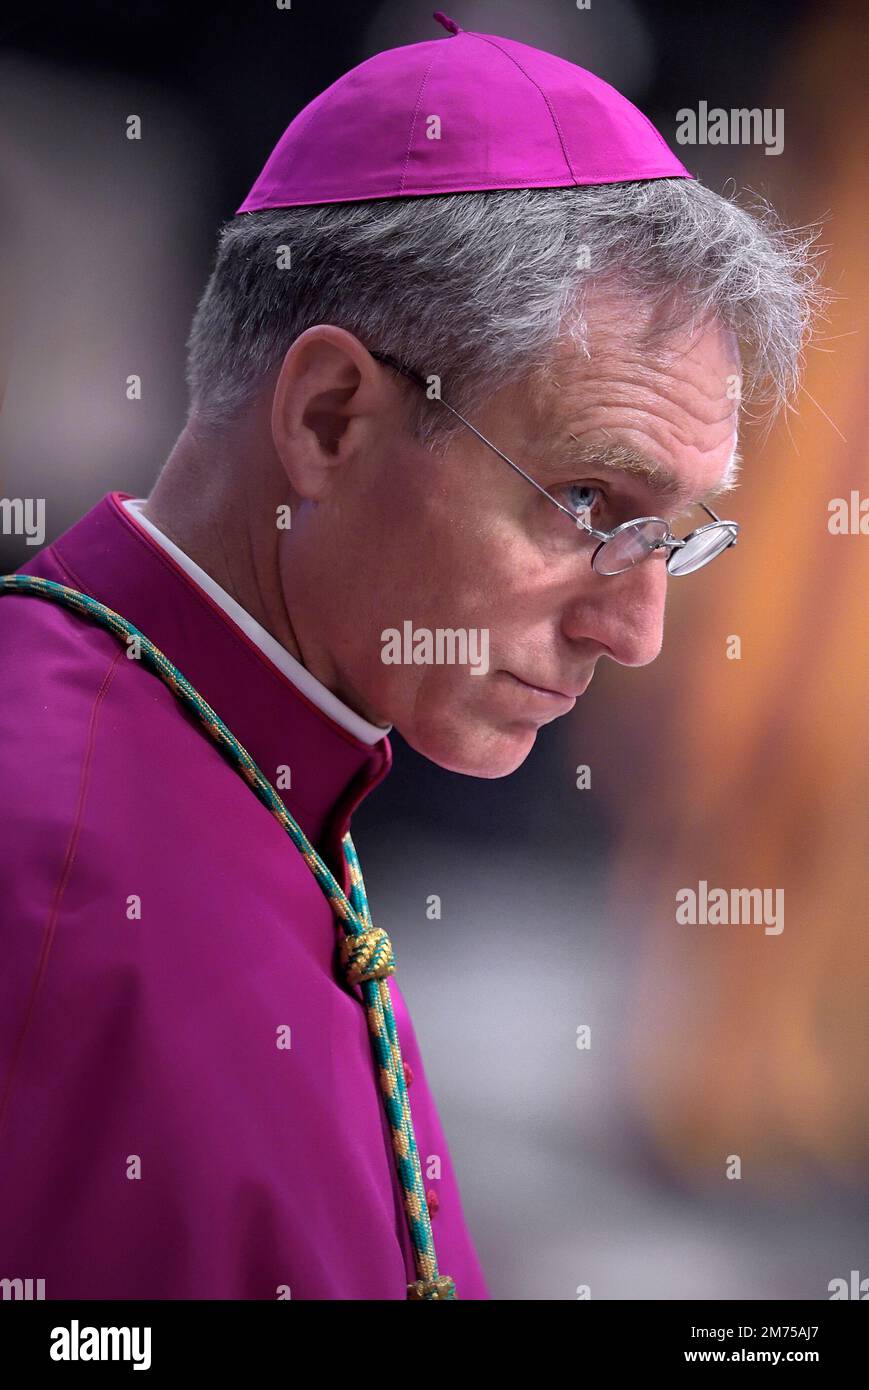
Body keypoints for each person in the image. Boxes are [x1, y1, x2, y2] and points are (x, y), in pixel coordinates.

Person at [0, 13, 818, 1299]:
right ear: (331, 420)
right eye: (590, 505)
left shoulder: (276, 752)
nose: (635, 630)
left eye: (675, 539)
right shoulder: (40, 841)